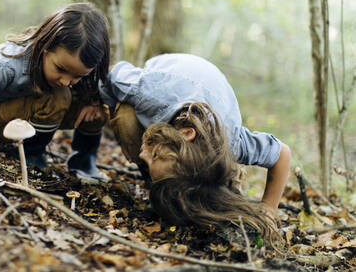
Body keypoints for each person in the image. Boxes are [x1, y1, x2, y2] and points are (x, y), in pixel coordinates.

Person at [100, 54, 291, 242]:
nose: (142, 155)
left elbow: (282, 154)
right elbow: (112, 72)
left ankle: (173, 185)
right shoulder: (146, 91)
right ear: (185, 134)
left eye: (154, 155)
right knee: (126, 117)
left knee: (212, 187)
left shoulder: (231, 143)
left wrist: (268, 212)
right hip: (170, 82)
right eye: (154, 156)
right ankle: (155, 185)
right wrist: (101, 100)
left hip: (206, 106)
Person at [0, 2, 110, 179]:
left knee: (99, 112)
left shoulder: (79, 71)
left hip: (34, 116)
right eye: (60, 69)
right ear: (45, 47)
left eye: (78, 76)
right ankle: (31, 155)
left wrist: (94, 102)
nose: (66, 81)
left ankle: (84, 163)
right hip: (4, 121)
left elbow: (101, 86)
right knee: (59, 96)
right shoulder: (7, 63)